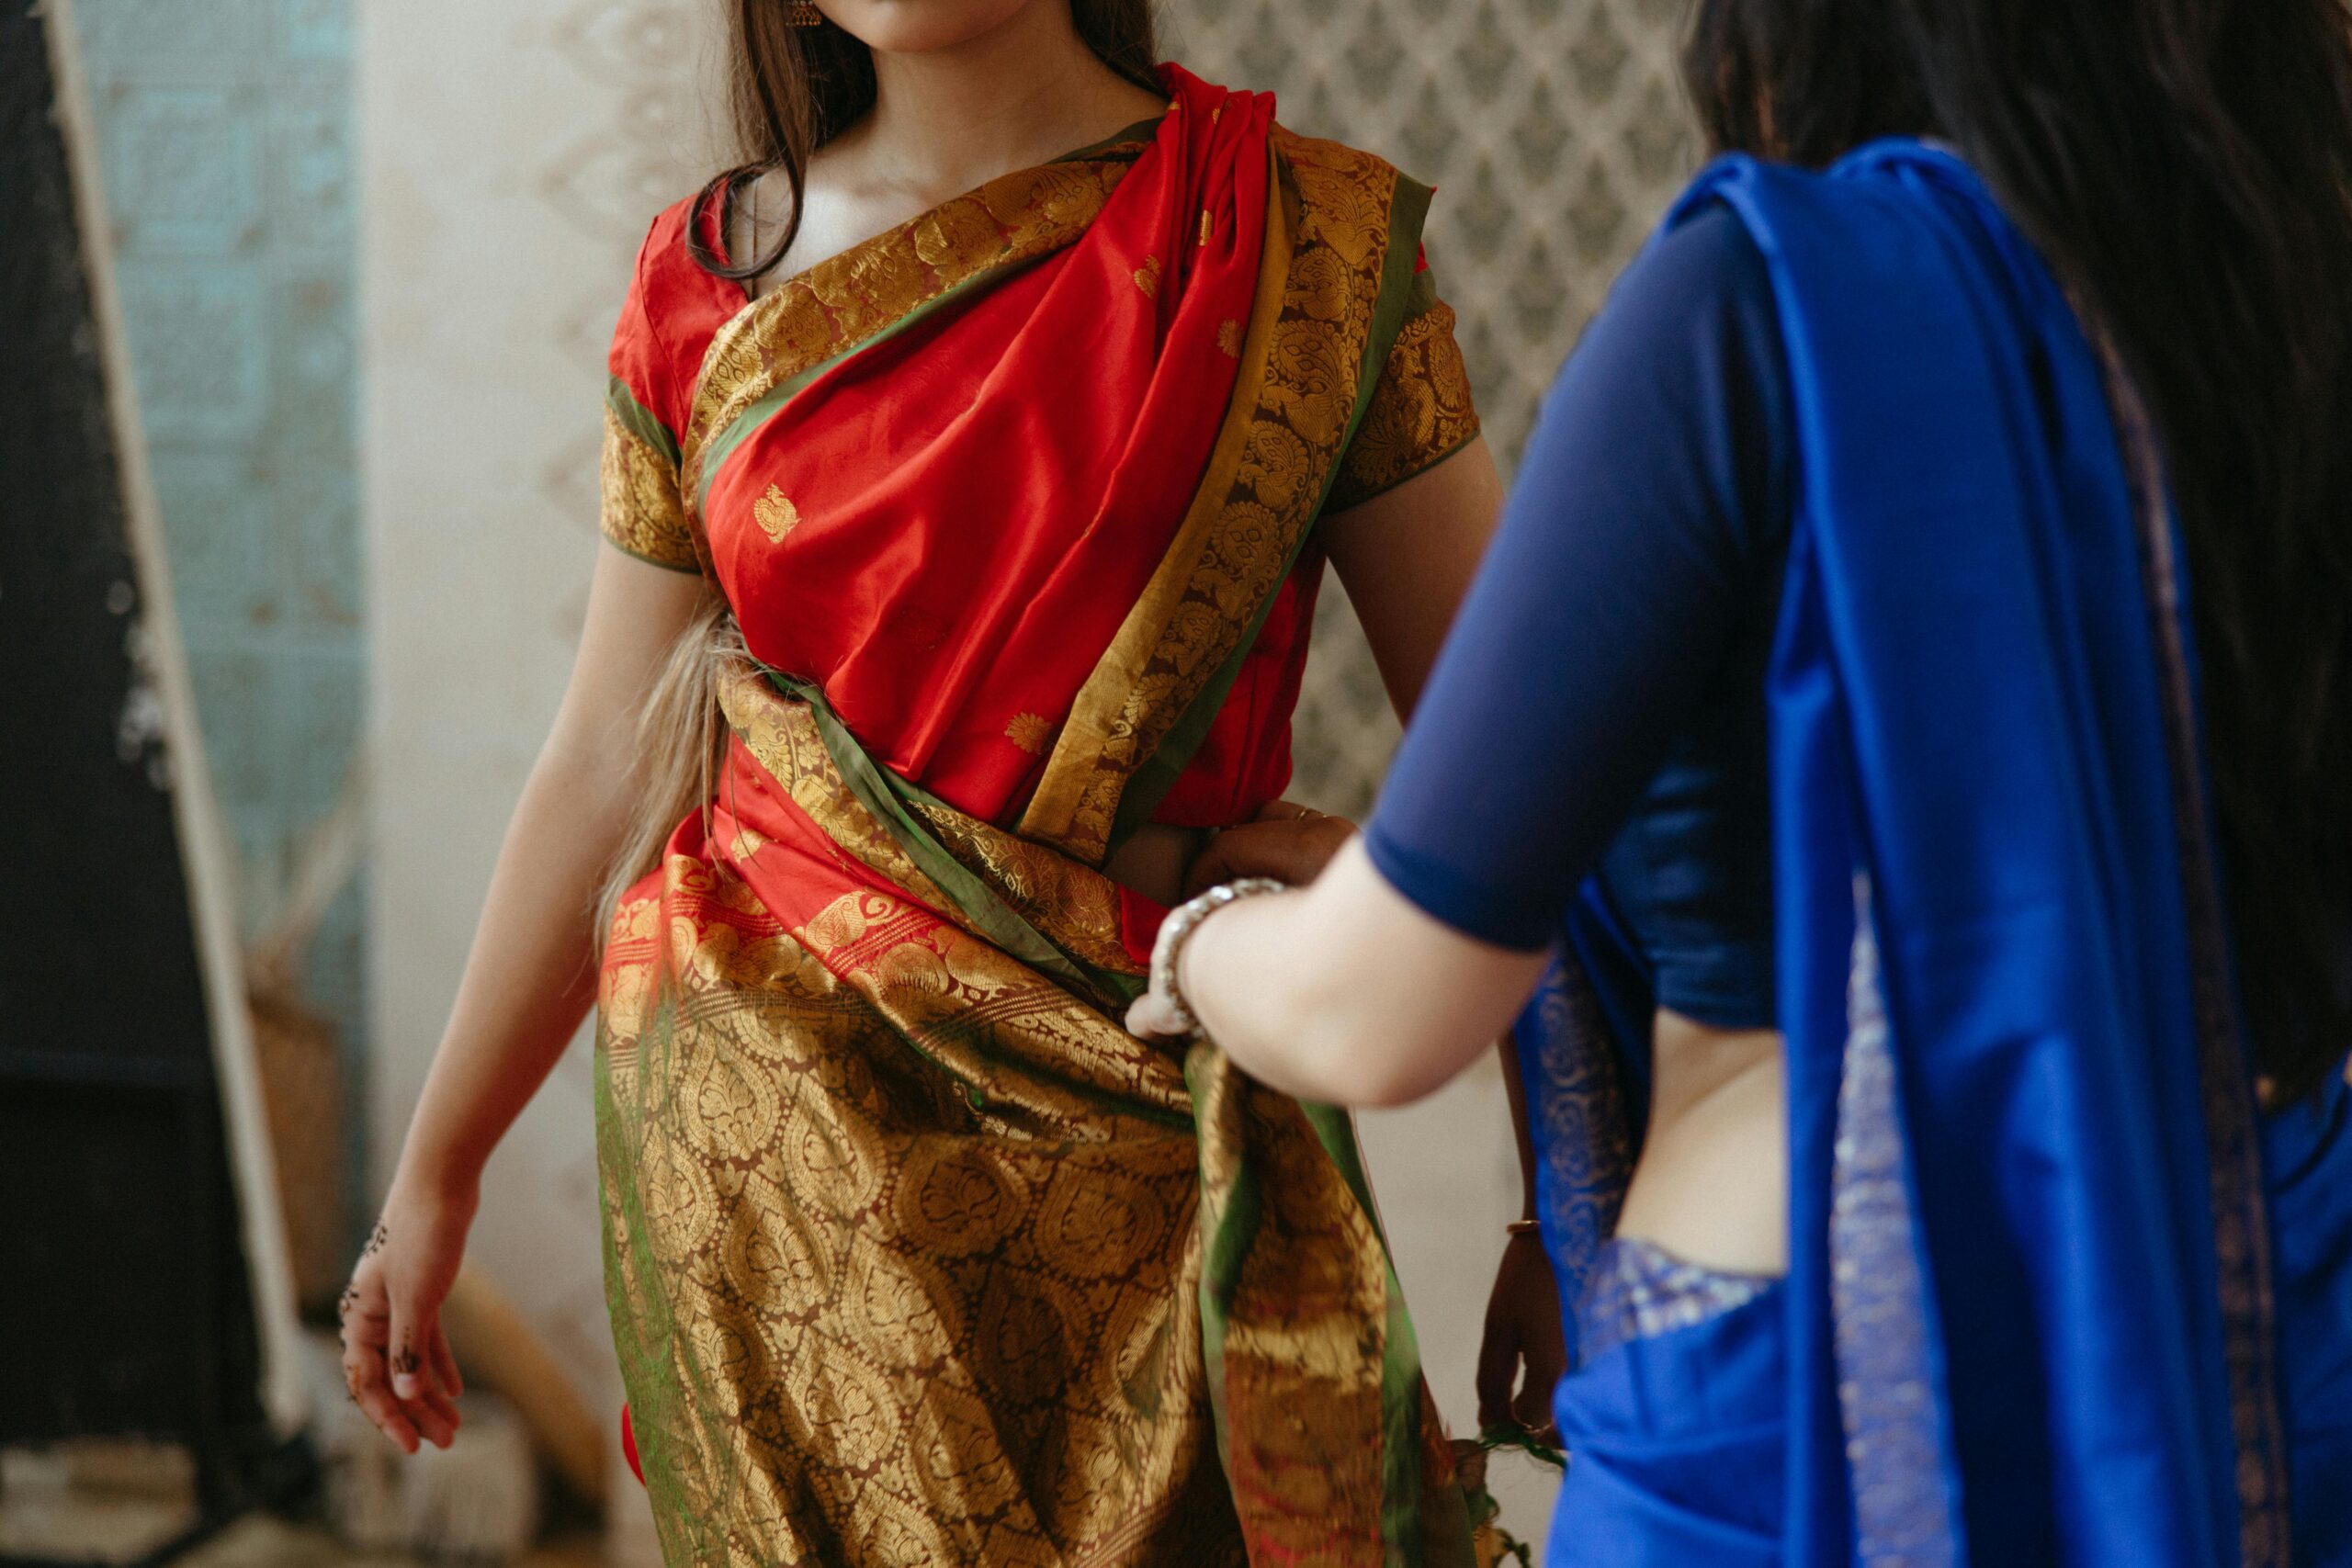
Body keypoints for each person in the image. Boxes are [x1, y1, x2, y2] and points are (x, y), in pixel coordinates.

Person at [1131, 0, 2352, 1562]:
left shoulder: (1766, 308)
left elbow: (1378, 1012)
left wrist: (1203, 927)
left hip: (1809, 1415)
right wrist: (1391, 871)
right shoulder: (2304, 313)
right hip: (2277, 1346)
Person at [338, 0, 1531, 1560]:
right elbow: (601, 762)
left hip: (1162, 1150)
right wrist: (437, 1173)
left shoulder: (1305, 244)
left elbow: (1528, 783)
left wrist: (1566, 1207)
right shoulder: (705, 283)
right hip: (772, 1188)